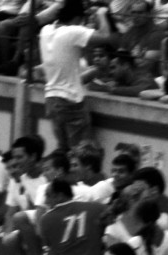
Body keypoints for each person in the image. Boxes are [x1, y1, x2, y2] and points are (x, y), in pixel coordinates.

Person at [38, 0, 116, 152]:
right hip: (70, 99)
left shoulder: (46, 30)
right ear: (77, 17)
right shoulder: (72, 31)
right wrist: (101, 14)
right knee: (81, 154)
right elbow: (105, 36)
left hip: (51, 99)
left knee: (63, 151)